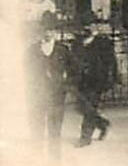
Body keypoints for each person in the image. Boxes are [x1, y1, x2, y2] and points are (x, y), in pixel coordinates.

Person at [33, 15, 74, 158]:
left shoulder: (62, 49)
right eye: (45, 29)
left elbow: (72, 70)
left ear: (55, 31)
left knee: (55, 128)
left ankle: (55, 160)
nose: (47, 33)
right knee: (37, 128)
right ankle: (36, 159)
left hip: (56, 95)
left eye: (50, 29)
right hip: (38, 95)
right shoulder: (32, 50)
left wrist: (65, 84)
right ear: (40, 30)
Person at [75, 15, 117, 145]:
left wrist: (112, 78)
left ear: (96, 26)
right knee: (81, 107)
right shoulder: (79, 41)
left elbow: (111, 62)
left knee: (90, 106)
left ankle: (85, 137)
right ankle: (102, 124)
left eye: (91, 24)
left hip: (96, 80)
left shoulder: (103, 41)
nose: (88, 27)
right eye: (86, 25)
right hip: (81, 79)